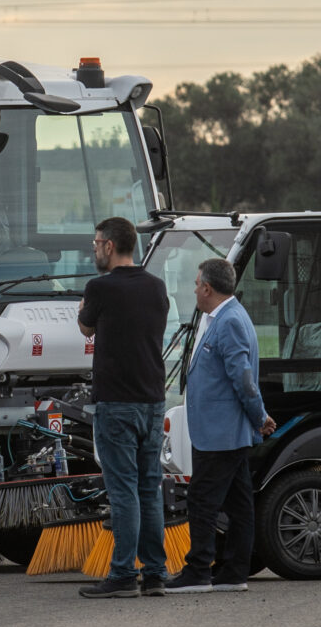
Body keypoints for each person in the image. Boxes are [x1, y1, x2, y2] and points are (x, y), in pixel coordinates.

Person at [77, 216, 169, 599]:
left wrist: (87, 309)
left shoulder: (100, 287)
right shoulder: (156, 286)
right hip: (152, 399)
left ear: (110, 246)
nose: (94, 249)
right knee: (150, 489)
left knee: (123, 490)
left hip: (116, 403)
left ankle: (121, 574)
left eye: (96, 243)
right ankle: (155, 573)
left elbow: (86, 327)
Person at [167, 258, 273, 591]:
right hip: (222, 431)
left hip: (221, 433)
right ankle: (234, 572)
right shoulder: (223, 317)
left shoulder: (229, 322)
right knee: (239, 503)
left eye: (197, 283)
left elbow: (242, 378)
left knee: (201, 499)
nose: (195, 289)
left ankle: (198, 571)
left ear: (208, 288)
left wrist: (259, 416)